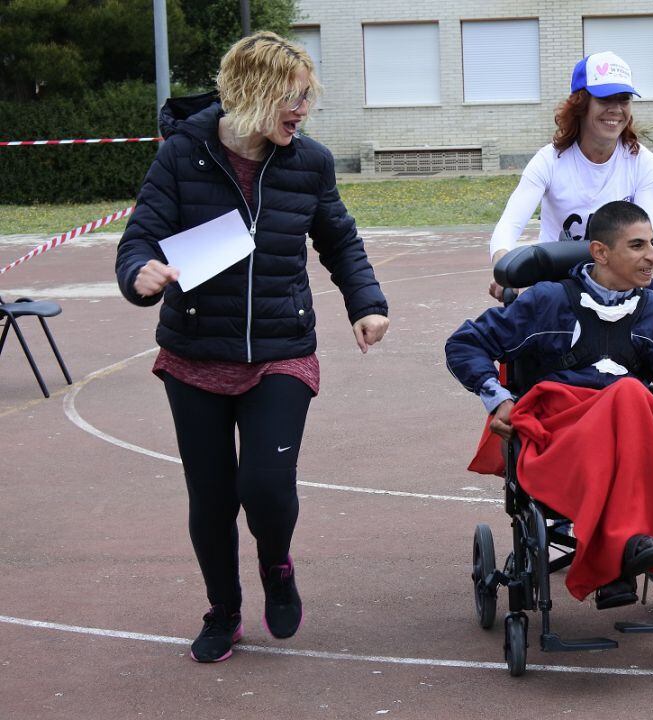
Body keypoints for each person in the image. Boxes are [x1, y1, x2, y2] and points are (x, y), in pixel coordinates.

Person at [115, 31, 389, 663]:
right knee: (210, 498)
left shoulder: (309, 162)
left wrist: (367, 304)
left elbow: (340, 241)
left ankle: (276, 565)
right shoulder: (183, 155)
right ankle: (224, 609)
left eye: (306, 100)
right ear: (251, 94)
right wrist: (139, 276)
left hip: (281, 348)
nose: (302, 112)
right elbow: (141, 238)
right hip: (195, 353)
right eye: (292, 99)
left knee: (265, 485)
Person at [447, 200, 653, 609]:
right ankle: (622, 552)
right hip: (558, 437)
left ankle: (618, 555)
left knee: (631, 398)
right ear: (600, 252)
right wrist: (497, 400)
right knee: (630, 392)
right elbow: (465, 344)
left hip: (630, 440)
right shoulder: (547, 302)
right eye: (637, 246)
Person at [487, 51, 653, 301]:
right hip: (558, 283)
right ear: (581, 104)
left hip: (617, 281)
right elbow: (509, 225)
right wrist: (504, 266)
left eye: (624, 99)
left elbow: (649, 241)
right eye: (604, 99)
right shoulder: (549, 161)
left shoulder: (643, 163)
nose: (616, 110)